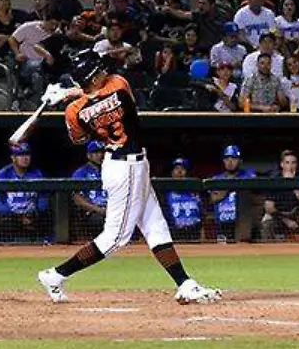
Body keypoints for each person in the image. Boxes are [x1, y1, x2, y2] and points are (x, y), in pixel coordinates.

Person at [33, 50, 220, 305]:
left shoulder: (73, 112)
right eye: (98, 71)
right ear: (91, 77)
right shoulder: (120, 86)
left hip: (119, 164)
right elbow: (103, 91)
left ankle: (185, 284)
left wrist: (65, 97)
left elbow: (80, 138)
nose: (103, 71)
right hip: (127, 169)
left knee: (155, 227)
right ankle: (56, 274)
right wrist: (69, 93)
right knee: (115, 238)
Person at [260, 149, 299, 242]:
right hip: (278, 213)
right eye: (287, 163)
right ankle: (267, 247)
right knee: (266, 220)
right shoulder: (275, 180)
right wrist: (286, 220)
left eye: (293, 163)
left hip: (296, 212)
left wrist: (291, 182)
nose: (290, 166)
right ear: (282, 164)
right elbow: (269, 207)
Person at [210, 144, 256, 243]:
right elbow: (214, 198)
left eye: (234, 158)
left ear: (240, 161)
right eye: (227, 158)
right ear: (223, 161)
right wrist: (232, 184)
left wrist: (225, 187)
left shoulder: (249, 175)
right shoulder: (216, 179)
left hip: (241, 223)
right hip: (222, 223)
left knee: (243, 251)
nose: (230, 161)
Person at [70, 141, 107, 233]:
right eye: (96, 152)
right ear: (88, 155)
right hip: (92, 211)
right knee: (98, 220)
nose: (100, 155)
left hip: (112, 209)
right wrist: (97, 209)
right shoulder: (80, 173)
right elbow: (77, 198)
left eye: (102, 152)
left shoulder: (111, 170)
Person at [164, 157, 202, 242]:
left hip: (194, 234)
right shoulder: (164, 193)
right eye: (176, 169)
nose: (179, 171)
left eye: (183, 169)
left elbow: (202, 217)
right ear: (172, 172)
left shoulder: (195, 192)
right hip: (174, 235)